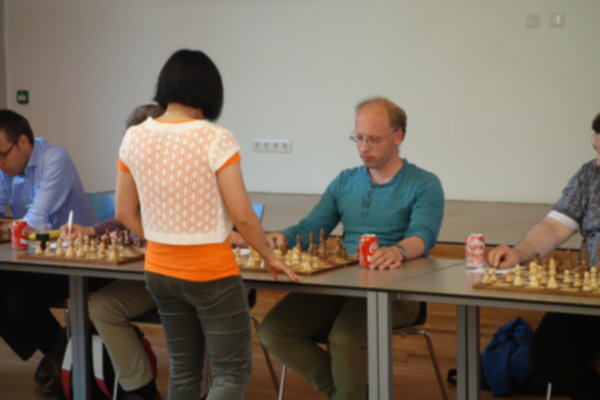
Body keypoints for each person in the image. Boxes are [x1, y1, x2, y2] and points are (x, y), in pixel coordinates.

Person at [114, 49, 299, 400]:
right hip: (211, 273)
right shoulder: (215, 138)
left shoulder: (134, 137)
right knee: (231, 373)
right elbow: (242, 214)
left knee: (184, 371)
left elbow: (124, 211)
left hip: (159, 271)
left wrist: (161, 240)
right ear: (209, 91)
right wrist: (269, 256)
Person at [257, 97, 445, 400]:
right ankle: (347, 394)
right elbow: (311, 228)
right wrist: (276, 237)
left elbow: (424, 236)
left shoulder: (424, 183)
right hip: (342, 282)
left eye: (373, 139)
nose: (363, 148)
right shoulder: (345, 181)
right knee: (274, 330)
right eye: (358, 138)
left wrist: (397, 251)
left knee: (345, 337)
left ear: (397, 136)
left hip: (397, 290)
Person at [487, 112, 600, 400]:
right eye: (597, 150)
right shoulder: (590, 174)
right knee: (548, 352)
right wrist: (520, 252)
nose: (598, 162)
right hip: (591, 292)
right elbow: (555, 225)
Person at [62, 103, 166, 400]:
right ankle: (142, 391)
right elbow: (123, 216)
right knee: (102, 306)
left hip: (180, 275)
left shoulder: (183, 175)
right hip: (145, 275)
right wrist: (92, 231)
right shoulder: (137, 173)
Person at [0, 109, 98, 395]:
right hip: (34, 259)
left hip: (77, 259)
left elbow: (34, 220)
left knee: (19, 301)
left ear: (23, 142)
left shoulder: (55, 158)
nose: (0, 164)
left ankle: (63, 357)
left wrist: (10, 227)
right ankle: (62, 353)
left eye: (3, 154)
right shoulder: (6, 167)